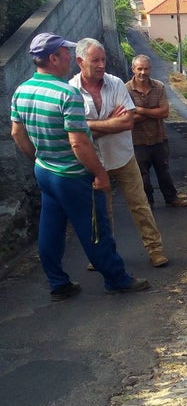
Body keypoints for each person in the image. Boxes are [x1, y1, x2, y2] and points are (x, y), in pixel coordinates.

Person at [9, 32, 150, 299]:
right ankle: (116, 279)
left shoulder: (22, 89)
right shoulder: (67, 93)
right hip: (72, 174)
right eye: (64, 55)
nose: (69, 60)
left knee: (51, 227)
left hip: (45, 171)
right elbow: (79, 143)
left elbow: (17, 133)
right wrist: (99, 173)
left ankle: (57, 282)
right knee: (96, 228)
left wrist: (39, 158)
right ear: (52, 59)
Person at [69, 38, 169, 268]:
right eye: (96, 60)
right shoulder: (71, 90)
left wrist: (90, 125)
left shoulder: (115, 84)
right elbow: (75, 134)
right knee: (101, 212)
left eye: (103, 59)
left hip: (123, 156)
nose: (102, 65)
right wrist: (108, 122)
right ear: (80, 61)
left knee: (140, 205)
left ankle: (155, 250)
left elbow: (126, 123)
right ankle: (103, 255)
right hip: (93, 161)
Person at [126, 54, 187, 208]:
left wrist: (139, 110)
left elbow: (164, 113)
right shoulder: (125, 89)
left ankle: (171, 198)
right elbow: (128, 117)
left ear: (150, 69)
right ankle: (148, 202)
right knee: (142, 176)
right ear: (133, 69)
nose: (143, 72)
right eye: (139, 69)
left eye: (146, 69)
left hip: (159, 138)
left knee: (164, 172)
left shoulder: (159, 86)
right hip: (137, 140)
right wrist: (152, 112)